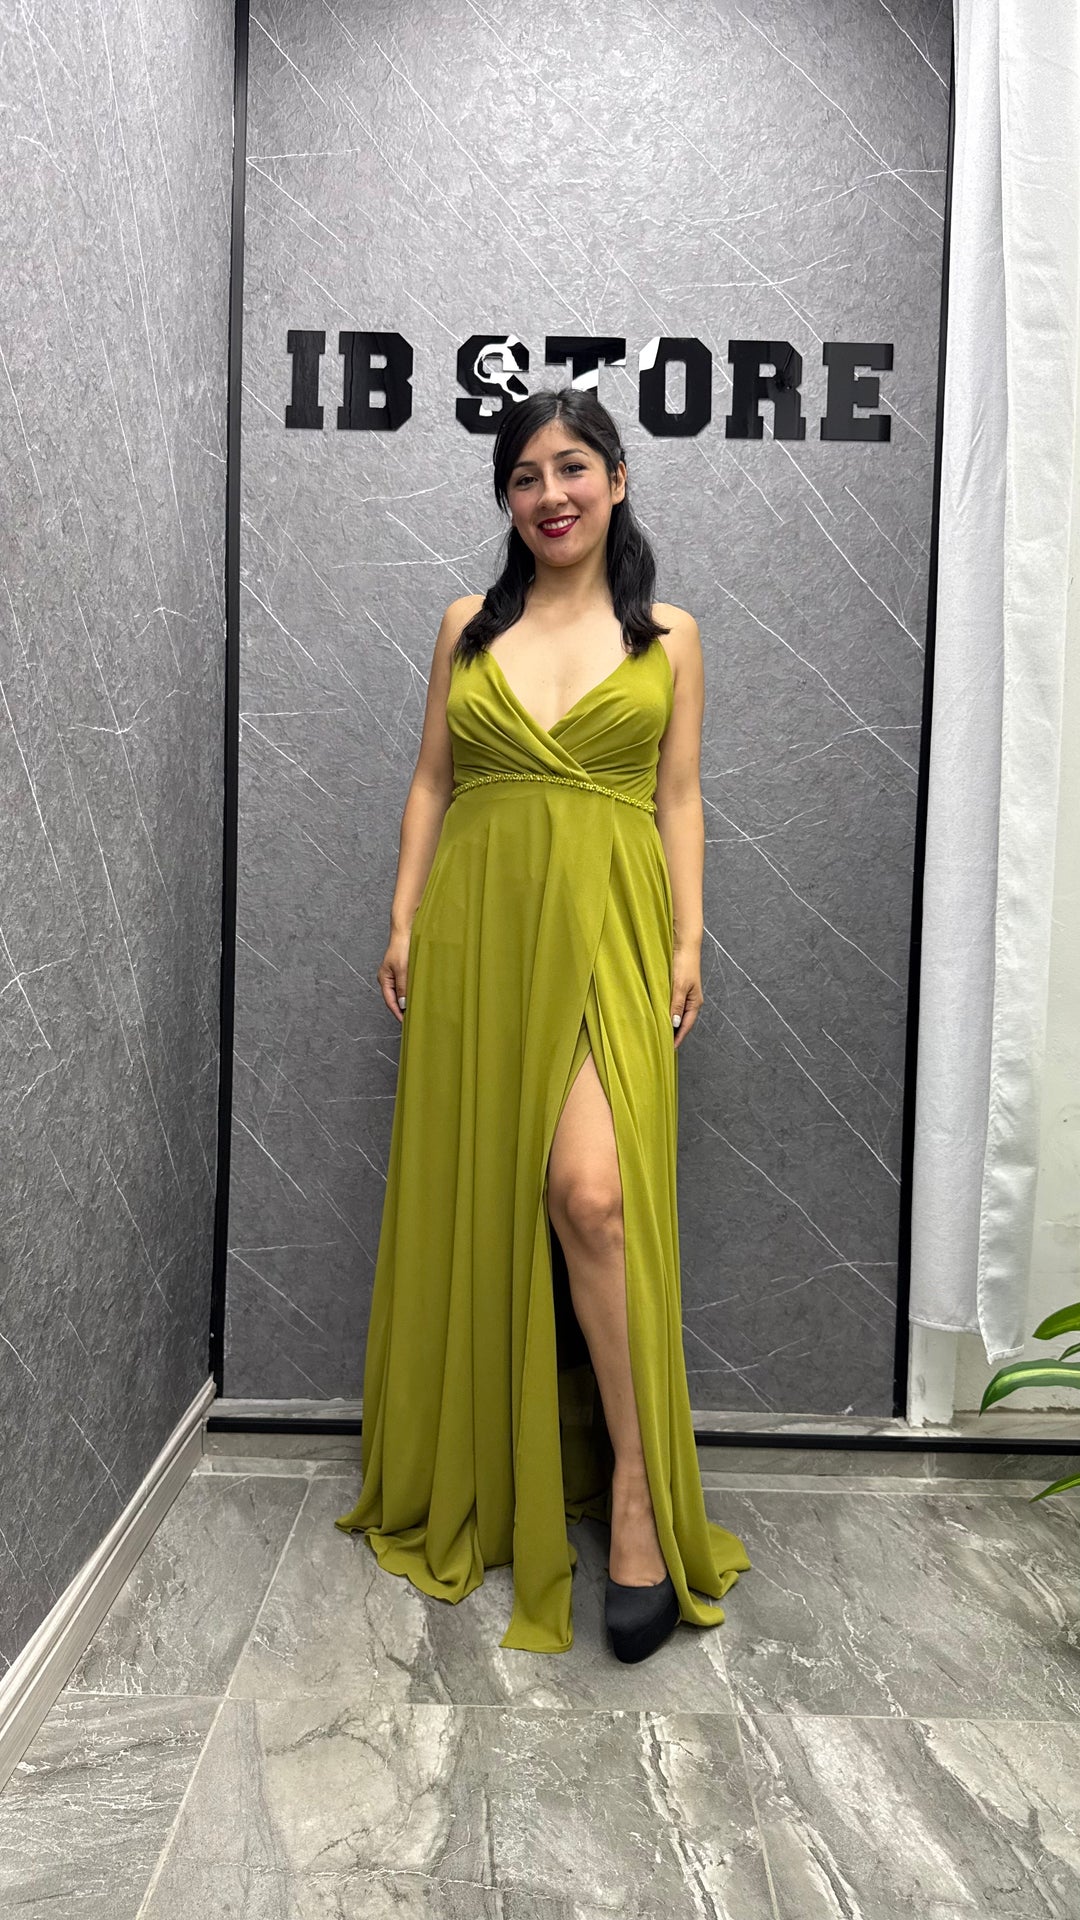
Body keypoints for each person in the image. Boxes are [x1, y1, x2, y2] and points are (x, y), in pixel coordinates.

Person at [335, 385, 750, 1663]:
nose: (550, 495)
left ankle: (633, 1493)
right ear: (508, 501)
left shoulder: (669, 636)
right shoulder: (469, 625)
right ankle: (491, 1456)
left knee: (592, 1195)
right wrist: (403, 917)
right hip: (481, 932)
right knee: (492, 1196)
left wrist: (688, 938)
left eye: (573, 468)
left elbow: (678, 796)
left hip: (613, 925)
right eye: (525, 477)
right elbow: (432, 779)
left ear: (617, 481)